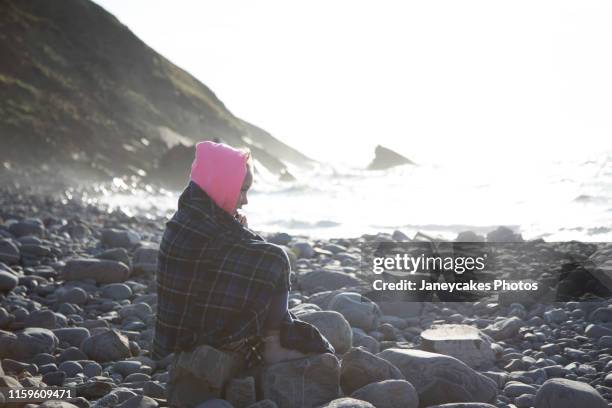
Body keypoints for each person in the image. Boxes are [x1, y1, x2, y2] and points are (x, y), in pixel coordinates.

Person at [152, 141, 333, 407]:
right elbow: (255, 259)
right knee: (276, 259)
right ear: (221, 184)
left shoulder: (195, 209)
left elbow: (228, 259)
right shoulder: (200, 223)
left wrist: (238, 231)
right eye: (242, 190)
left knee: (262, 261)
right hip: (195, 330)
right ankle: (272, 345)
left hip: (180, 330)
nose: (245, 200)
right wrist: (241, 235)